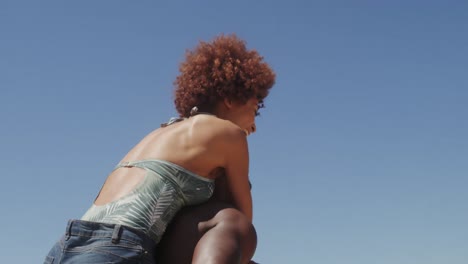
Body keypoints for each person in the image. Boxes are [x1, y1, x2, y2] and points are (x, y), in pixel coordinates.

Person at [44, 34, 275, 264]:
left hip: (67, 248)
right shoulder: (228, 133)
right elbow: (243, 223)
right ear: (230, 99)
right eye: (254, 109)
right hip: (120, 249)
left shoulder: (164, 133)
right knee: (233, 221)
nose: (253, 125)